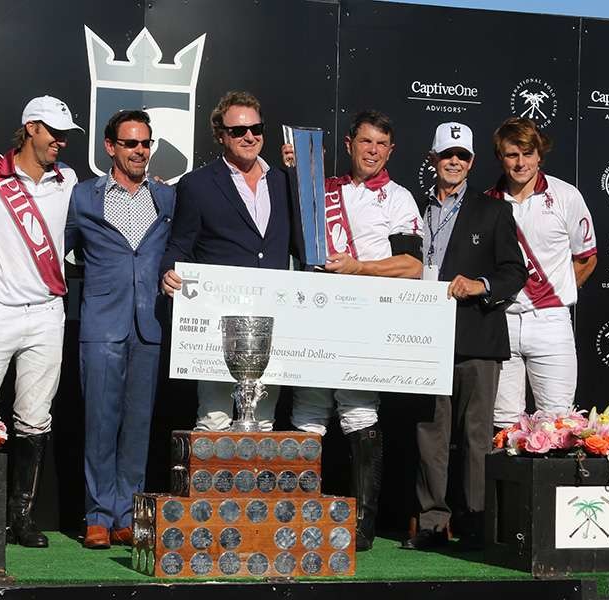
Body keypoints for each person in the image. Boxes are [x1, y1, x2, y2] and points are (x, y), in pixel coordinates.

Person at [283, 110, 424, 551]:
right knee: (308, 409)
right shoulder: (320, 190)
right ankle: (298, 514)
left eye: (382, 145)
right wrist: (290, 172)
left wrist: (356, 267)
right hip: (314, 314)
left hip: (366, 318)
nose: (373, 152)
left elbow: (412, 265)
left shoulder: (399, 198)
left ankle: (362, 526)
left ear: (391, 150)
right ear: (349, 144)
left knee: (359, 411)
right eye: (366, 142)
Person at [0, 96, 83, 547]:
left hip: (48, 313)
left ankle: (20, 519)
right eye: (53, 131)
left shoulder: (67, 179)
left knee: (35, 418)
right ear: (30, 128)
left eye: (65, 133)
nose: (61, 141)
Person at [402, 122, 527, 551]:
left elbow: (515, 272)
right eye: (446, 154)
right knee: (430, 434)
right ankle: (434, 523)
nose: (454, 162)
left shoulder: (493, 211)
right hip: (423, 338)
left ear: (472, 162)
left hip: (476, 336)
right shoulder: (411, 209)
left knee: (476, 436)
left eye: (463, 156)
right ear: (432, 159)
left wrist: (480, 285)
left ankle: (474, 522)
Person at [66, 110, 175, 549]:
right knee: (99, 423)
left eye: (145, 143)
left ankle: (128, 514)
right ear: (110, 147)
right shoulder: (83, 198)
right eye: (130, 143)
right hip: (101, 325)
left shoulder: (166, 198)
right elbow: (60, 250)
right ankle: (96, 515)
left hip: (149, 325)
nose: (140, 151)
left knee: (137, 425)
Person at [160, 90, 292, 432]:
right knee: (214, 418)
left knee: (262, 422)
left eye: (256, 128)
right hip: (218, 323)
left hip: (271, 320)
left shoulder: (284, 182)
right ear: (221, 135)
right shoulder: (197, 184)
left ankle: (256, 486)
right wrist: (168, 272)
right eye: (238, 131)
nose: (249, 136)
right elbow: (180, 245)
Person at [488, 117, 597, 429]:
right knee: (503, 426)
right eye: (512, 154)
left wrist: (553, 297)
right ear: (501, 157)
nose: (521, 163)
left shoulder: (566, 196)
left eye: (527, 153)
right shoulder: (486, 203)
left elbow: (586, 258)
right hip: (501, 321)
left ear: (539, 155)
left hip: (551, 324)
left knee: (558, 424)